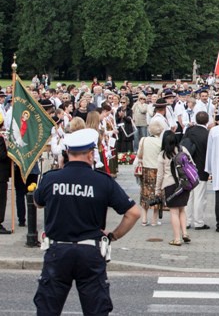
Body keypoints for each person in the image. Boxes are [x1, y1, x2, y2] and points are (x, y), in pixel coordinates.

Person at [33, 128, 140, 315]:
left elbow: (37, 202)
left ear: (67, 153)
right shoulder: (102, 181)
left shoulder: (51, 179)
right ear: (91, 154)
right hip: (90, 251)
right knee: (96, 310)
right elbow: (133, 212)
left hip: (58, 251)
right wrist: (113, 235)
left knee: (48, 309)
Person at [155, 131, 192, 246]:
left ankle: (177, 239)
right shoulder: (183, 150)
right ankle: (185, 233)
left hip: (170, 185)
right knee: (182, 210)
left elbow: (160, 175)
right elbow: (192, 164)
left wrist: (157, 189)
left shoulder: (163, 154)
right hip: (184, 184)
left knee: (174, 212)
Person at [182, 111, 212, 230]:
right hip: (201, 168)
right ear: (207, 121)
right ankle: (198, 222)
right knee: (200, 197)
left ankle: (187, 221)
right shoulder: (208, 134)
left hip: (187, 167)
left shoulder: (189, 130)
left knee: (188, 196)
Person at [136, 120, 165, 227]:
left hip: (145, 169)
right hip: (157, 170)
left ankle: (144, 219)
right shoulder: (161, 143)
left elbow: (139, 154)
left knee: (145, 193)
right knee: (157, 193)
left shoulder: (143, 140)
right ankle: (154, 220)